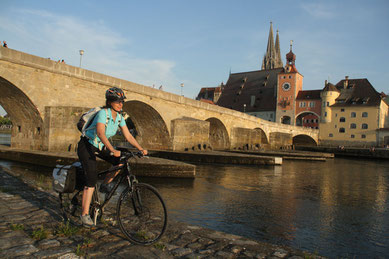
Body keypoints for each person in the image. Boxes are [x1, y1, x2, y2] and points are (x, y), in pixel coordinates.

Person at [77, 87, 147, 227]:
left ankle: (105, 184)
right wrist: (112, 149)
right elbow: (101, 133)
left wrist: (140, 149)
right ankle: (84, 215)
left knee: (121, 161)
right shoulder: (103, 113)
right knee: (91, 178)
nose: (120, 104)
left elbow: (127, 136)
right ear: (109, 102)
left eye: (122, 101)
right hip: (87, 145)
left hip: (101, 146)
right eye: (117, 101)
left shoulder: (120, 117)